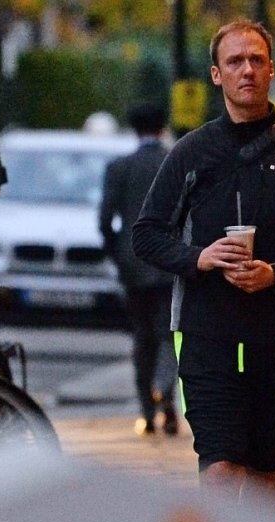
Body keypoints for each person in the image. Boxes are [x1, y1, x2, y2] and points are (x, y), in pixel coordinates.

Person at [132, 19, 275, 508]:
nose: (247, 70)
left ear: (272, 70)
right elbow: (146, 234)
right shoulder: (191, 153)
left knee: (262, 473)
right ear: (216, 75)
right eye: (235, 61)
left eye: (257, 60)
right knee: (220, 466)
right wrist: (199, 258)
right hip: (206, 335)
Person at [99, 102, 179, 437]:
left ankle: (147, 411)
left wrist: (118, 255)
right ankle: (166, 393)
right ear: (162, 127)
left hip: (133, 265)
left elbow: (105, 220)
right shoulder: (174, 163)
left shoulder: (120, 167)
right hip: (171, 263)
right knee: (169, 334)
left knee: (142, 338)